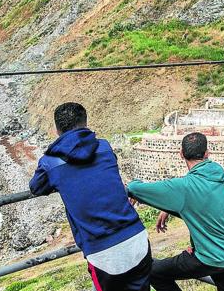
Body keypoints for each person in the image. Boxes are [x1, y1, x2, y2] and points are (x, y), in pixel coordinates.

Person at [29, 102, 151, 291]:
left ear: (57, 130)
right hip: (136, 237)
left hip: (102, 252)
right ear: (85, 123)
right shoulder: (104, 146)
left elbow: (36, 187)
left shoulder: (50, 162)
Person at [127, 132, 224, 291]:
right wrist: (169, 208)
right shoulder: (219, 173)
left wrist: (165, 203)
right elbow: (205, 206)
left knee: (153, 272)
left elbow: (135, 188)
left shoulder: (184, 188)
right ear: (207, 153)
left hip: (211, 258)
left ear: (181, 154)